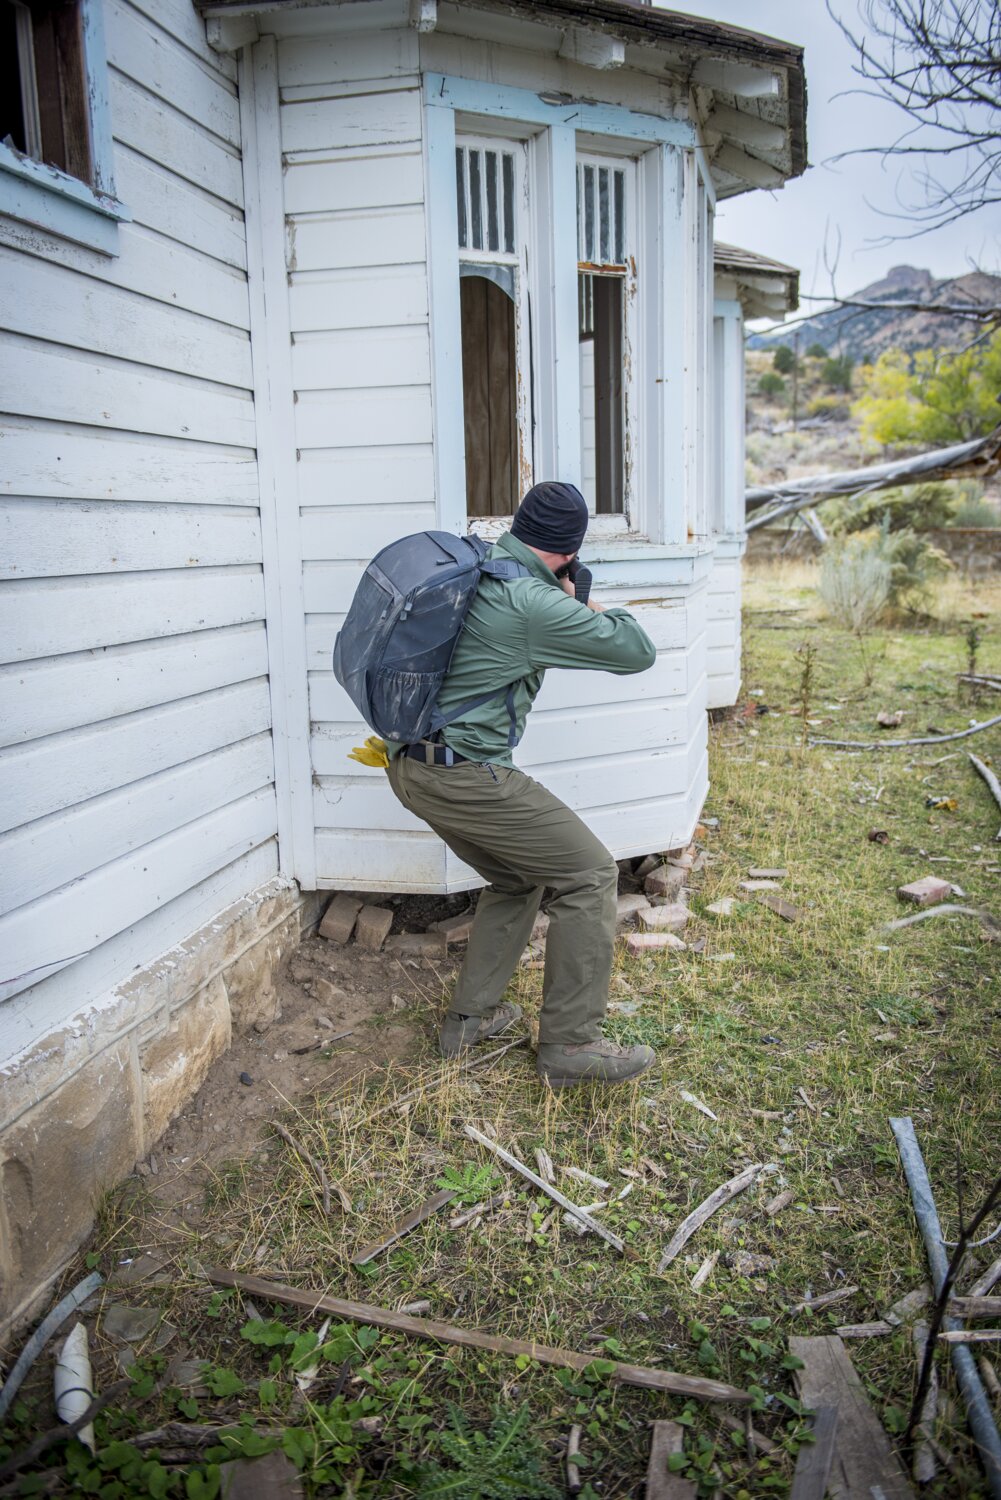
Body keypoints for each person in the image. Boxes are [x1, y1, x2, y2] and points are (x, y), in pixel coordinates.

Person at [385, 482, 658, 1088]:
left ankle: (469, 1022)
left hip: (410, 767)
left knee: (518, 877)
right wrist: (581, 601)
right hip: (462, 775)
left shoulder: (481, 566)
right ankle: (570, 1046)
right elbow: (636, 649)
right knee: (590, 874)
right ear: (571, 550)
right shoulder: (533, 601)